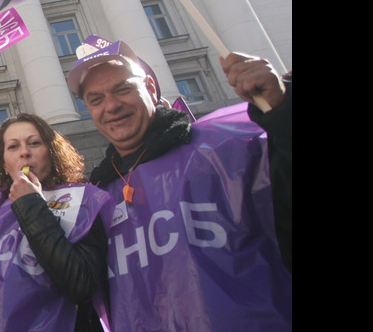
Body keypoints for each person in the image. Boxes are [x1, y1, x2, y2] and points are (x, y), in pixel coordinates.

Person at [68, 36, 292, 330]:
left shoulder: (227, 149)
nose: (111, 106)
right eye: (96, 99)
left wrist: (283, 111)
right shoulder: (96, 197)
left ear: (149, 88)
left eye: (123, 89)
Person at [0, 47, 112, 332]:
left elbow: (81, 285)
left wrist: (32, 205)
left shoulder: (84, 200)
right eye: (13, 146)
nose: (24, 153)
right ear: (3, 162)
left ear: (51, 151)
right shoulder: (1, 194)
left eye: (34, 143)